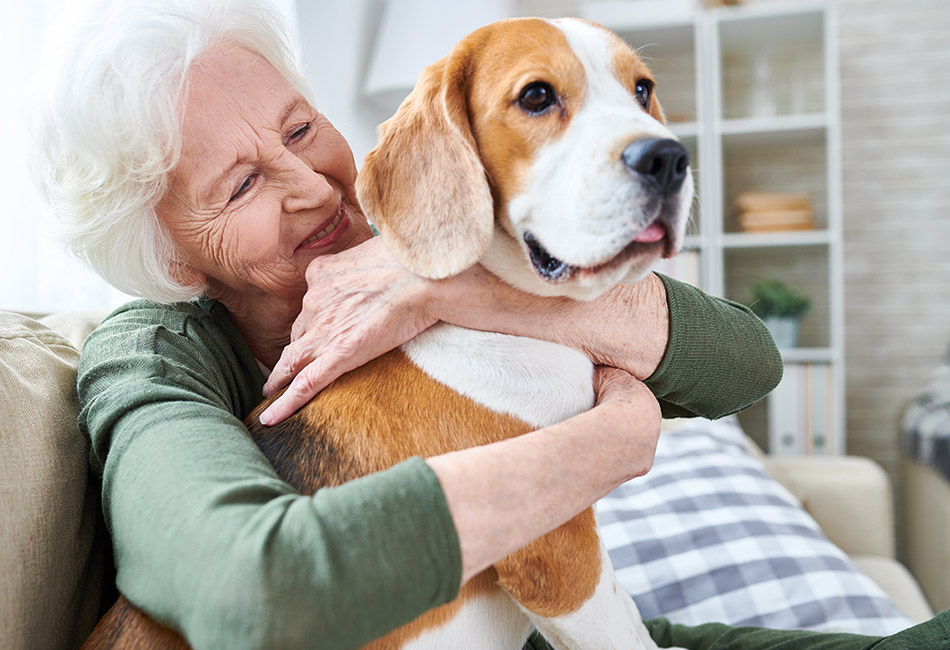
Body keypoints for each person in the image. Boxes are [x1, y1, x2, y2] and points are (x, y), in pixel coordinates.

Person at [36, 0, 896, 648]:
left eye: (301, 128)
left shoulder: (434, 241)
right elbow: (251, 587)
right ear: (174, 257)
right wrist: (610, 442)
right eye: (241, 186)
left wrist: (447, 290)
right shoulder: (149, 354)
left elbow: (747, 363)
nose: (309, 184)